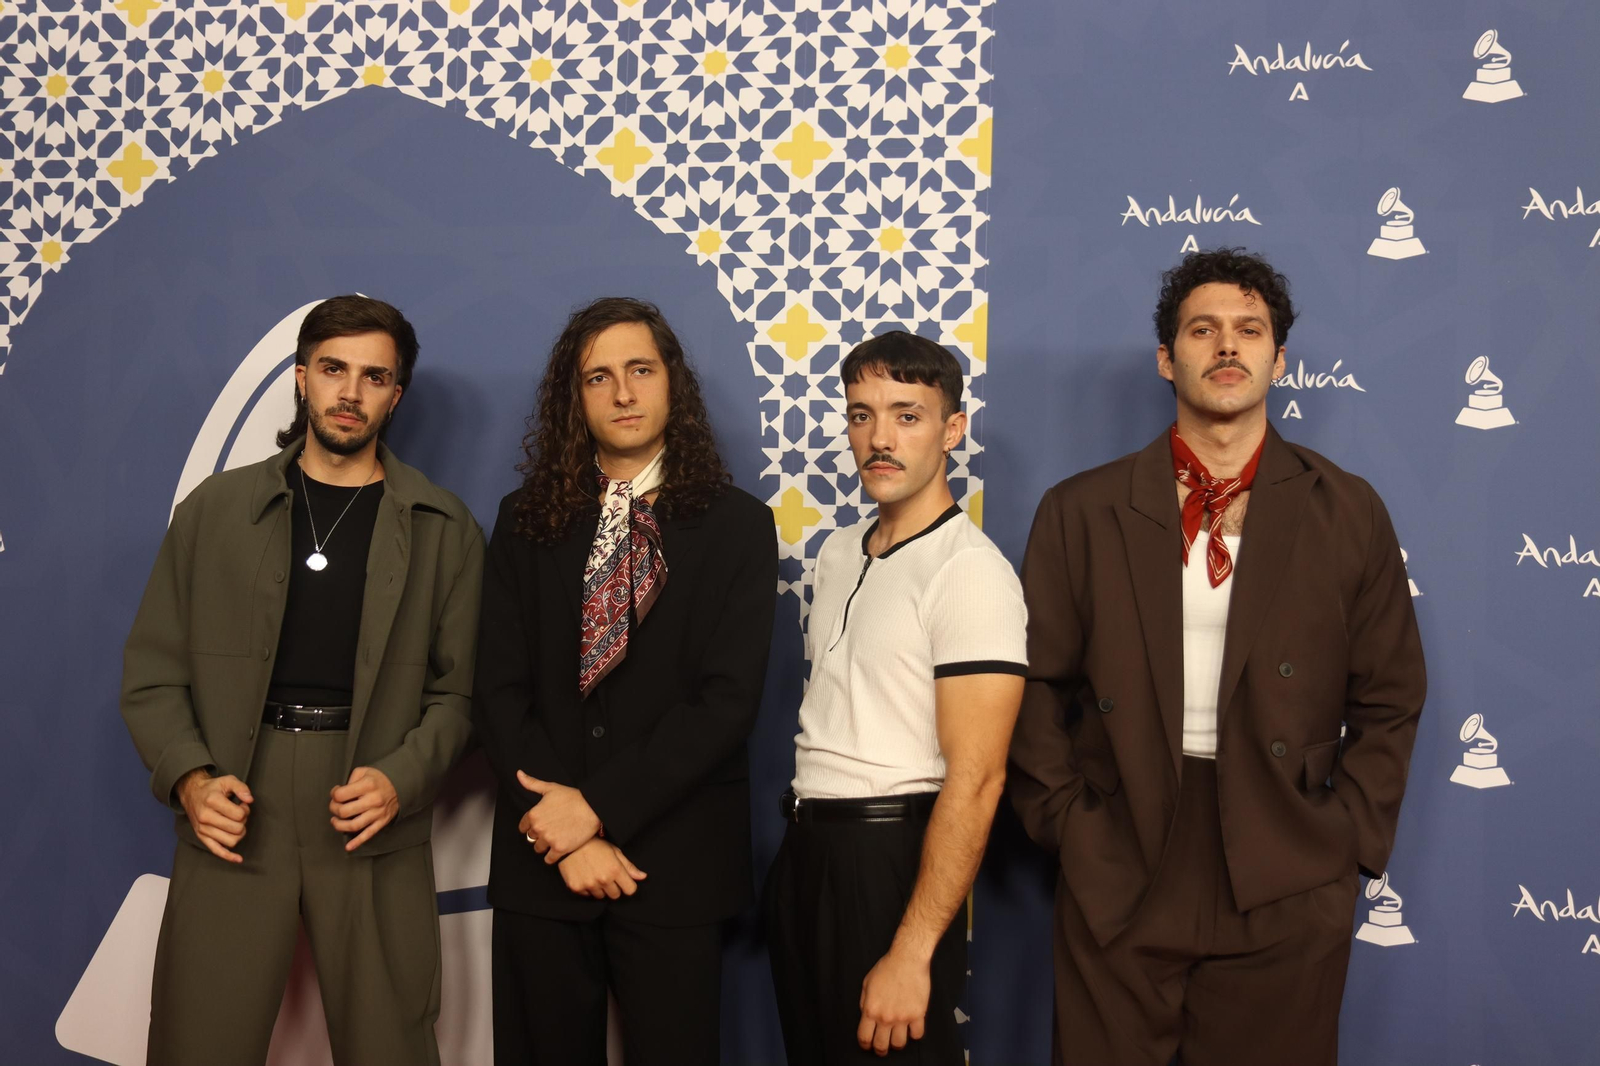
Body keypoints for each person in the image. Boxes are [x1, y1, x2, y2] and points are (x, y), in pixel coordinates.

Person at [1010, 247, 1427, 1065]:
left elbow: (1391, 694)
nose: (1227, 346)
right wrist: (1067, 824)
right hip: (1122, 850)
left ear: (1279, 357)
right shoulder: (1082, 509)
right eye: (1203, 330)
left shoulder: (1347, 508)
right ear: (1169, 358)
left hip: (1287, 863)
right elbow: (1031, 683)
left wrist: (1343, 838)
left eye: (1249, 329)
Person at [122, 294, 483, 1064]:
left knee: (392, 1043)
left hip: (370, 802)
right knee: (199, 1040)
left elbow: (460, 696)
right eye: (332, 370)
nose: (350, 392)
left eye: (373, 376)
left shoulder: (443, 526)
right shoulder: (215, 511)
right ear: (300, 378)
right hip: (235, 798)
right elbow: (152, 673)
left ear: (396, 393)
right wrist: (189, 778)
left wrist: (400, 779)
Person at [474, 296, 778, 1065]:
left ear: (671, 382)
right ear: (573, 400)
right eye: (598, 377)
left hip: (673, 864)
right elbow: (498, 692)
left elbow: (727, 701)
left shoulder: (738, 524)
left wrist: (600, 812)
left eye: (640, 370)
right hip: (544, 862)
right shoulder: (523, 520)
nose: (622, 393)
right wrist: (566, 835)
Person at [765, 331, 1027, 1064]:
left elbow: (978, 780)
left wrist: (912, 952)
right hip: (807, 849)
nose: (880, 438)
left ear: (952, 429)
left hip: (891, 862)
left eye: (907, 415)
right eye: (861, 415)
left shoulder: (970, 572)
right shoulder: (838, 551)